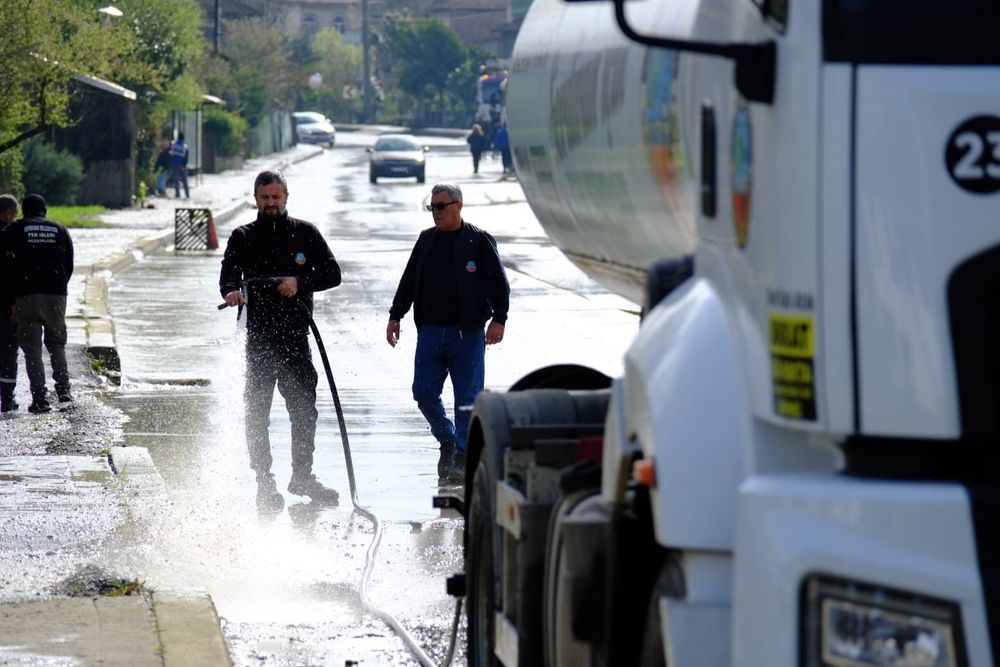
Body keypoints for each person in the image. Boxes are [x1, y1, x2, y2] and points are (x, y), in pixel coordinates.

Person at [219, 170, 342, 511]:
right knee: (257, 413)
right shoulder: (242, 236)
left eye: (276, 197)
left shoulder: (306, 233)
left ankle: (303, 476)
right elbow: (228, 276)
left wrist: (299, 282)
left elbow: (333, 274)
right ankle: (264, 481)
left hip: (295, 339)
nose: (271, 203)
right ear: (256, 199)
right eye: (265, 198)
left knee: (303, 411)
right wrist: (232, 292)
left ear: (286, 197)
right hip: (258, 341)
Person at [386, 183, 510, 474]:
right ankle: (448, 439)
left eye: (441, 206)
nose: (436, 212)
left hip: (467, 334)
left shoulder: (478, 240)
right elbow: (409, 280)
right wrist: (395, 315)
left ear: (459, 206)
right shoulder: (426, 240)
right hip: (430, 333)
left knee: (467, 399)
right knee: (423, 393)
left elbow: (498, 284)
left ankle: (464, 456)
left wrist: (499, 319)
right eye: (432, 207)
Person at [8, 194, 74, 414]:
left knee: (32, 348)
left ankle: (40, 399)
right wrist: (59, 287)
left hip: (26, 295)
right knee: (57, 344)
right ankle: (64, 391)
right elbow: (69, 263)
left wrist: (11, 298)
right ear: (44, 211)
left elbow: (6, 264)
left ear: (23, 210)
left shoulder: (16, 229)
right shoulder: (60, 229)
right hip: (56, 294)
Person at [0, 194, 19, 413]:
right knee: (7, 351)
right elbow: (10, 276)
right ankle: (7, 399)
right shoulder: (9, 237)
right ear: (8, 213)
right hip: (4, 307)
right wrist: (14, 306)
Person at [170, 132, 190, 198]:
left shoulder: (173, 144)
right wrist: (184, 165)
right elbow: (186, 157)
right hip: (182, 166)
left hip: (175, 165)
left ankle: (177, 194)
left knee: (176, 180)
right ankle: (187, 194)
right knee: (185, 181)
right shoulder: (185, 146)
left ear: (177, 137)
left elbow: (171, 154)